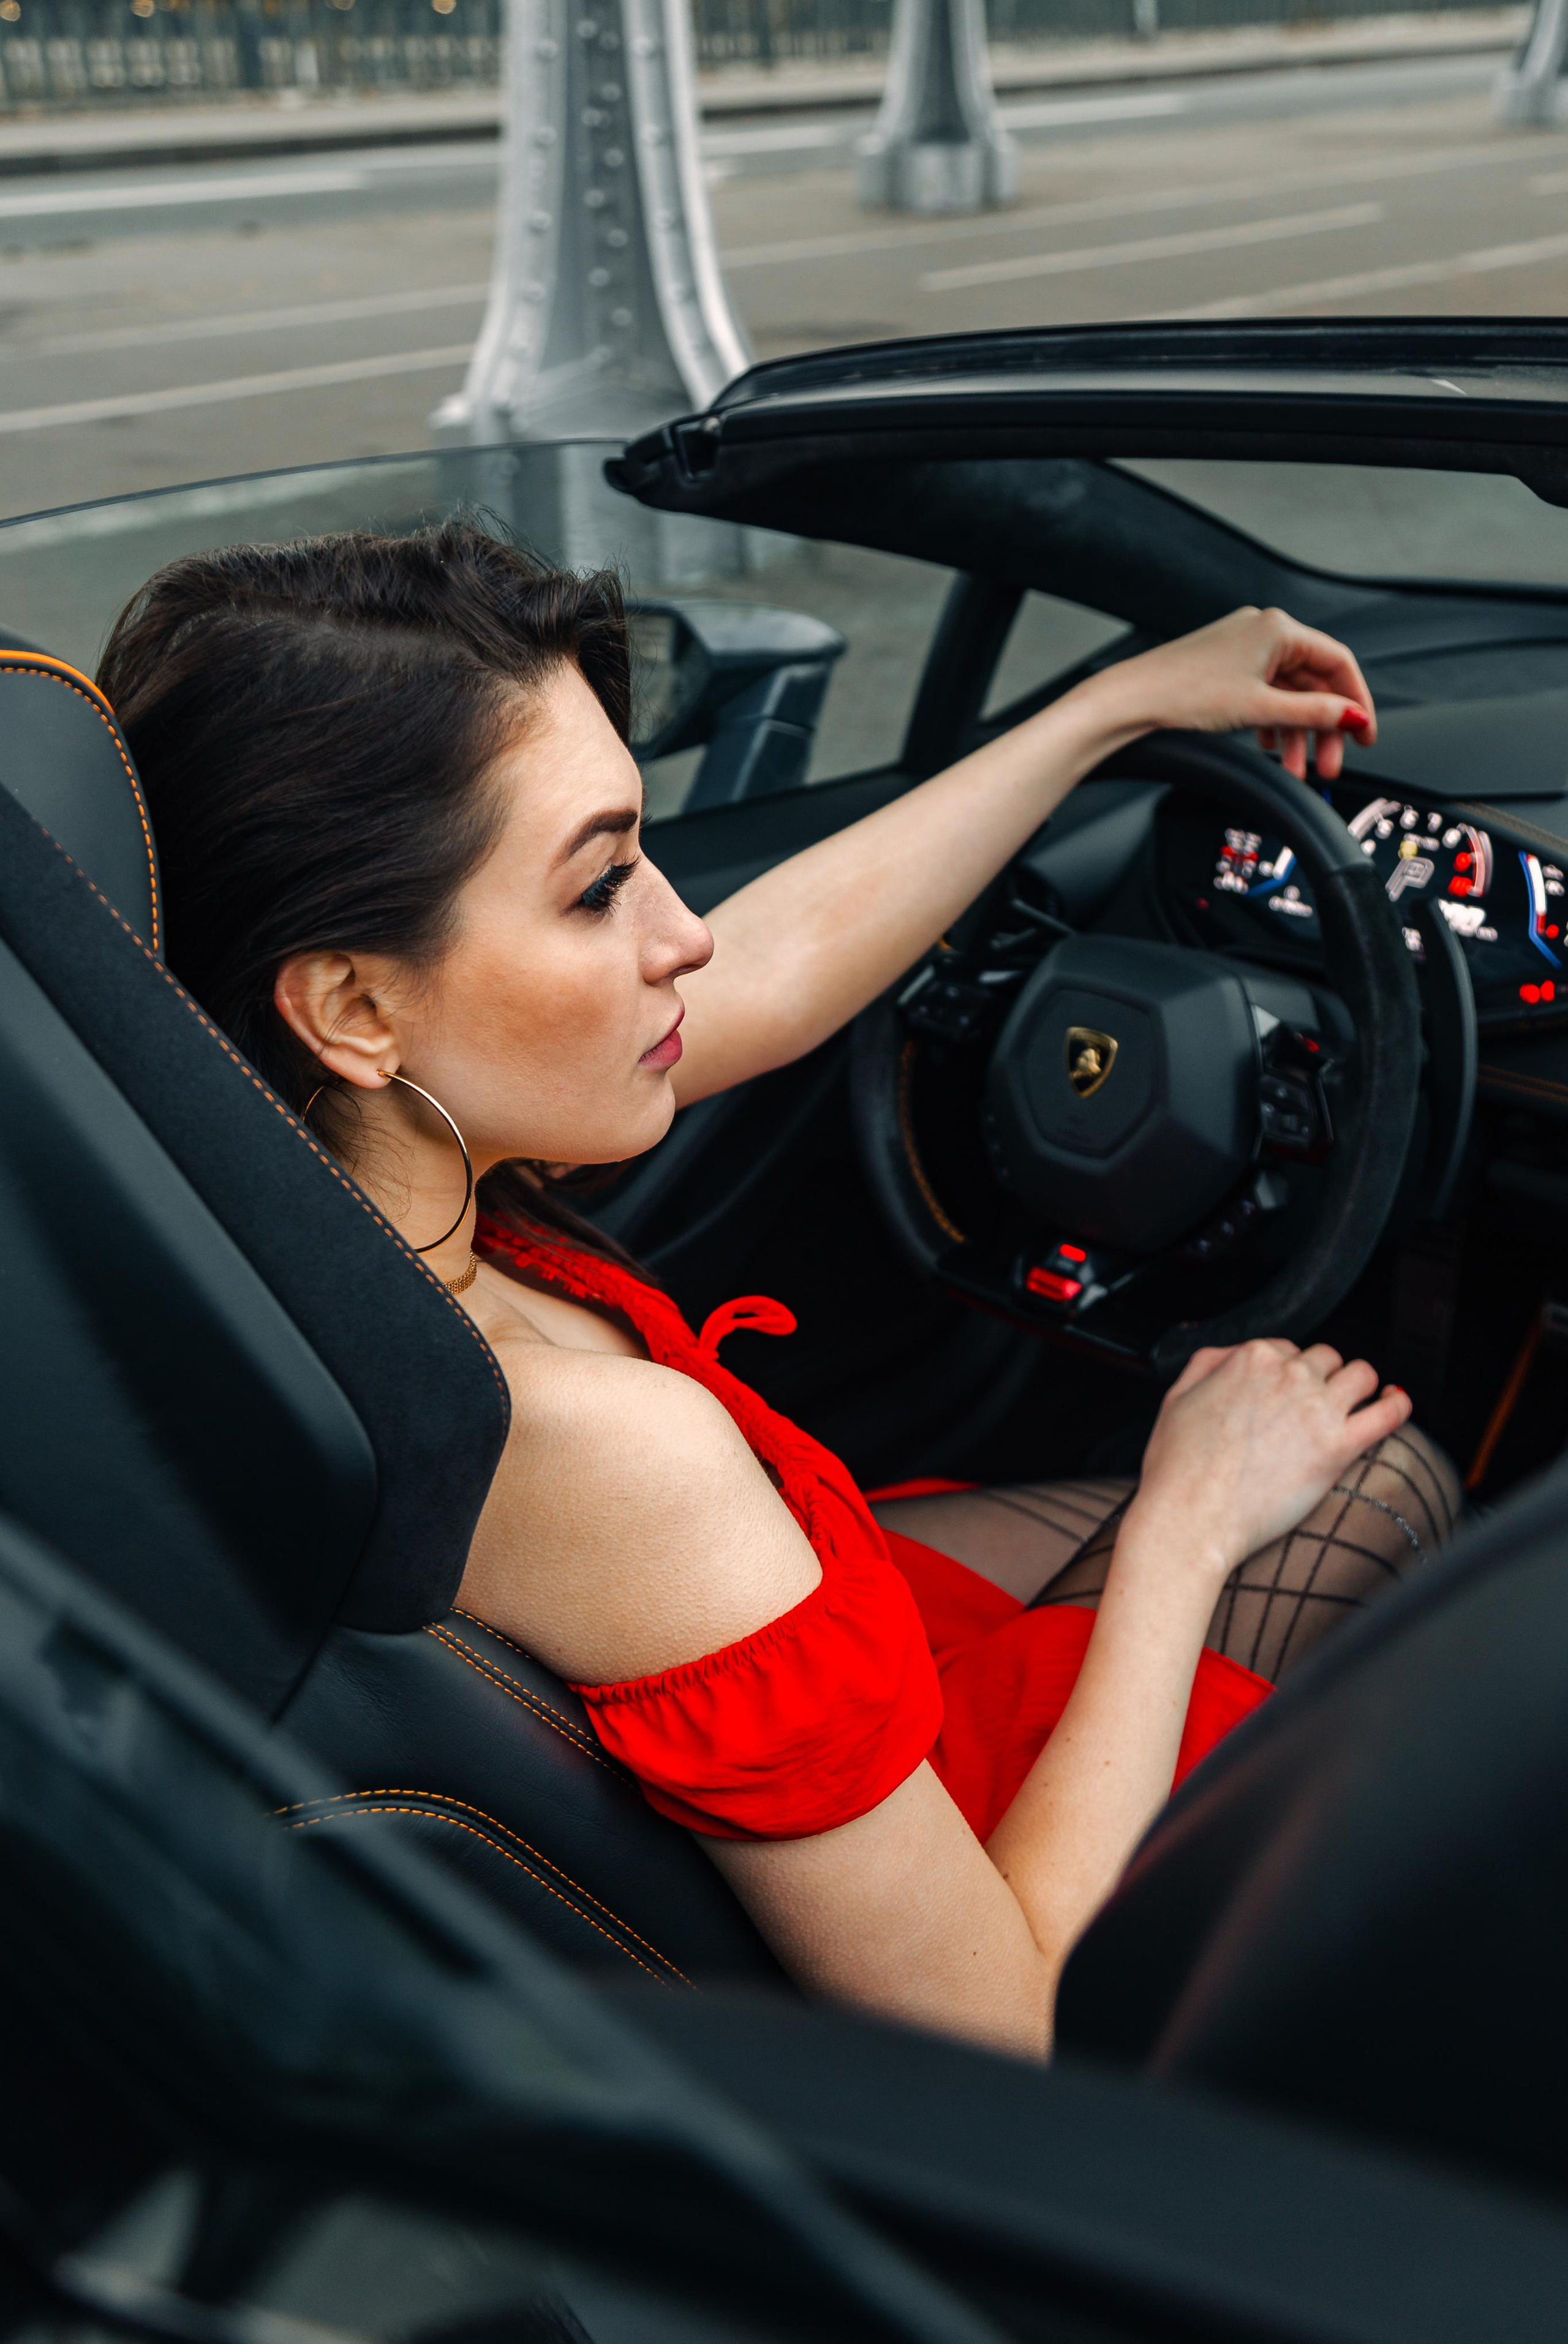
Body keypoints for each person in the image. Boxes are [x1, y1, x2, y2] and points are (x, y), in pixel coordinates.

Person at [99, 524, 1459, 2059]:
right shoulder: (601, 1452)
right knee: (1380, 1481)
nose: (680, 934)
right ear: (351, 1003)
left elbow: (777, 966)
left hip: (805, 1666)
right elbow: (1001, 2036)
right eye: (601, 885)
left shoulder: (295, 1196)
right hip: (976, 1904)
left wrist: (1105, 709)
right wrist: (1182, 1526)